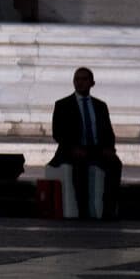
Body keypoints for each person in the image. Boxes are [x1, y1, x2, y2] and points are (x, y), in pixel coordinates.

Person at [49, 67, 121, 220]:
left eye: (84, 79)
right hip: (72, 150)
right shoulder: (62, 104)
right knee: (79, 164)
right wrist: (73, 148)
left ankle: (108, 209)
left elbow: (108, 131)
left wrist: (110, 149)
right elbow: (58, 133)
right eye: (77, 79)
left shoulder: (100, 106)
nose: (80, 82)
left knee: (115, 164)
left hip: (96, 149)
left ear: (92, 83)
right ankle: (83, 210)